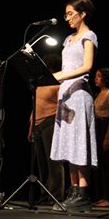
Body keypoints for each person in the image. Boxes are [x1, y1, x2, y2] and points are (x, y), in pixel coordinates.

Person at [50, 0, 98, 213]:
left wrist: (61, 75)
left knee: (79, 142)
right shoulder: (68, 39)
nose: (67, 18)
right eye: (66, 14)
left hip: (79, 96)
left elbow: (87, 66)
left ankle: (83, 192)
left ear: (83, 13)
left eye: (71, 13)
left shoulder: (88, 36)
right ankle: (73, 189)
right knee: (67, 142)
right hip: (65, 96)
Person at [27, 53, 65, 204]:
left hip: (51, 121)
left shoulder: (59, 80)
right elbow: (35, 104)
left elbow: (63, 105)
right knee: (41, 164)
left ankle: (56, 196)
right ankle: (45, 195)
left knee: (53, 161)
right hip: (36, 124)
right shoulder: (41, 82)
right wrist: (31, 126)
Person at [91, 67, 109, 207]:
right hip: (98, 128)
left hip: (108, 128)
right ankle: (103, 196)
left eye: (99, 76)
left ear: (106, 78)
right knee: (100, 164)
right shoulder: (98, 93)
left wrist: (107, 137)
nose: (96, 78)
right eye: (96, 76)